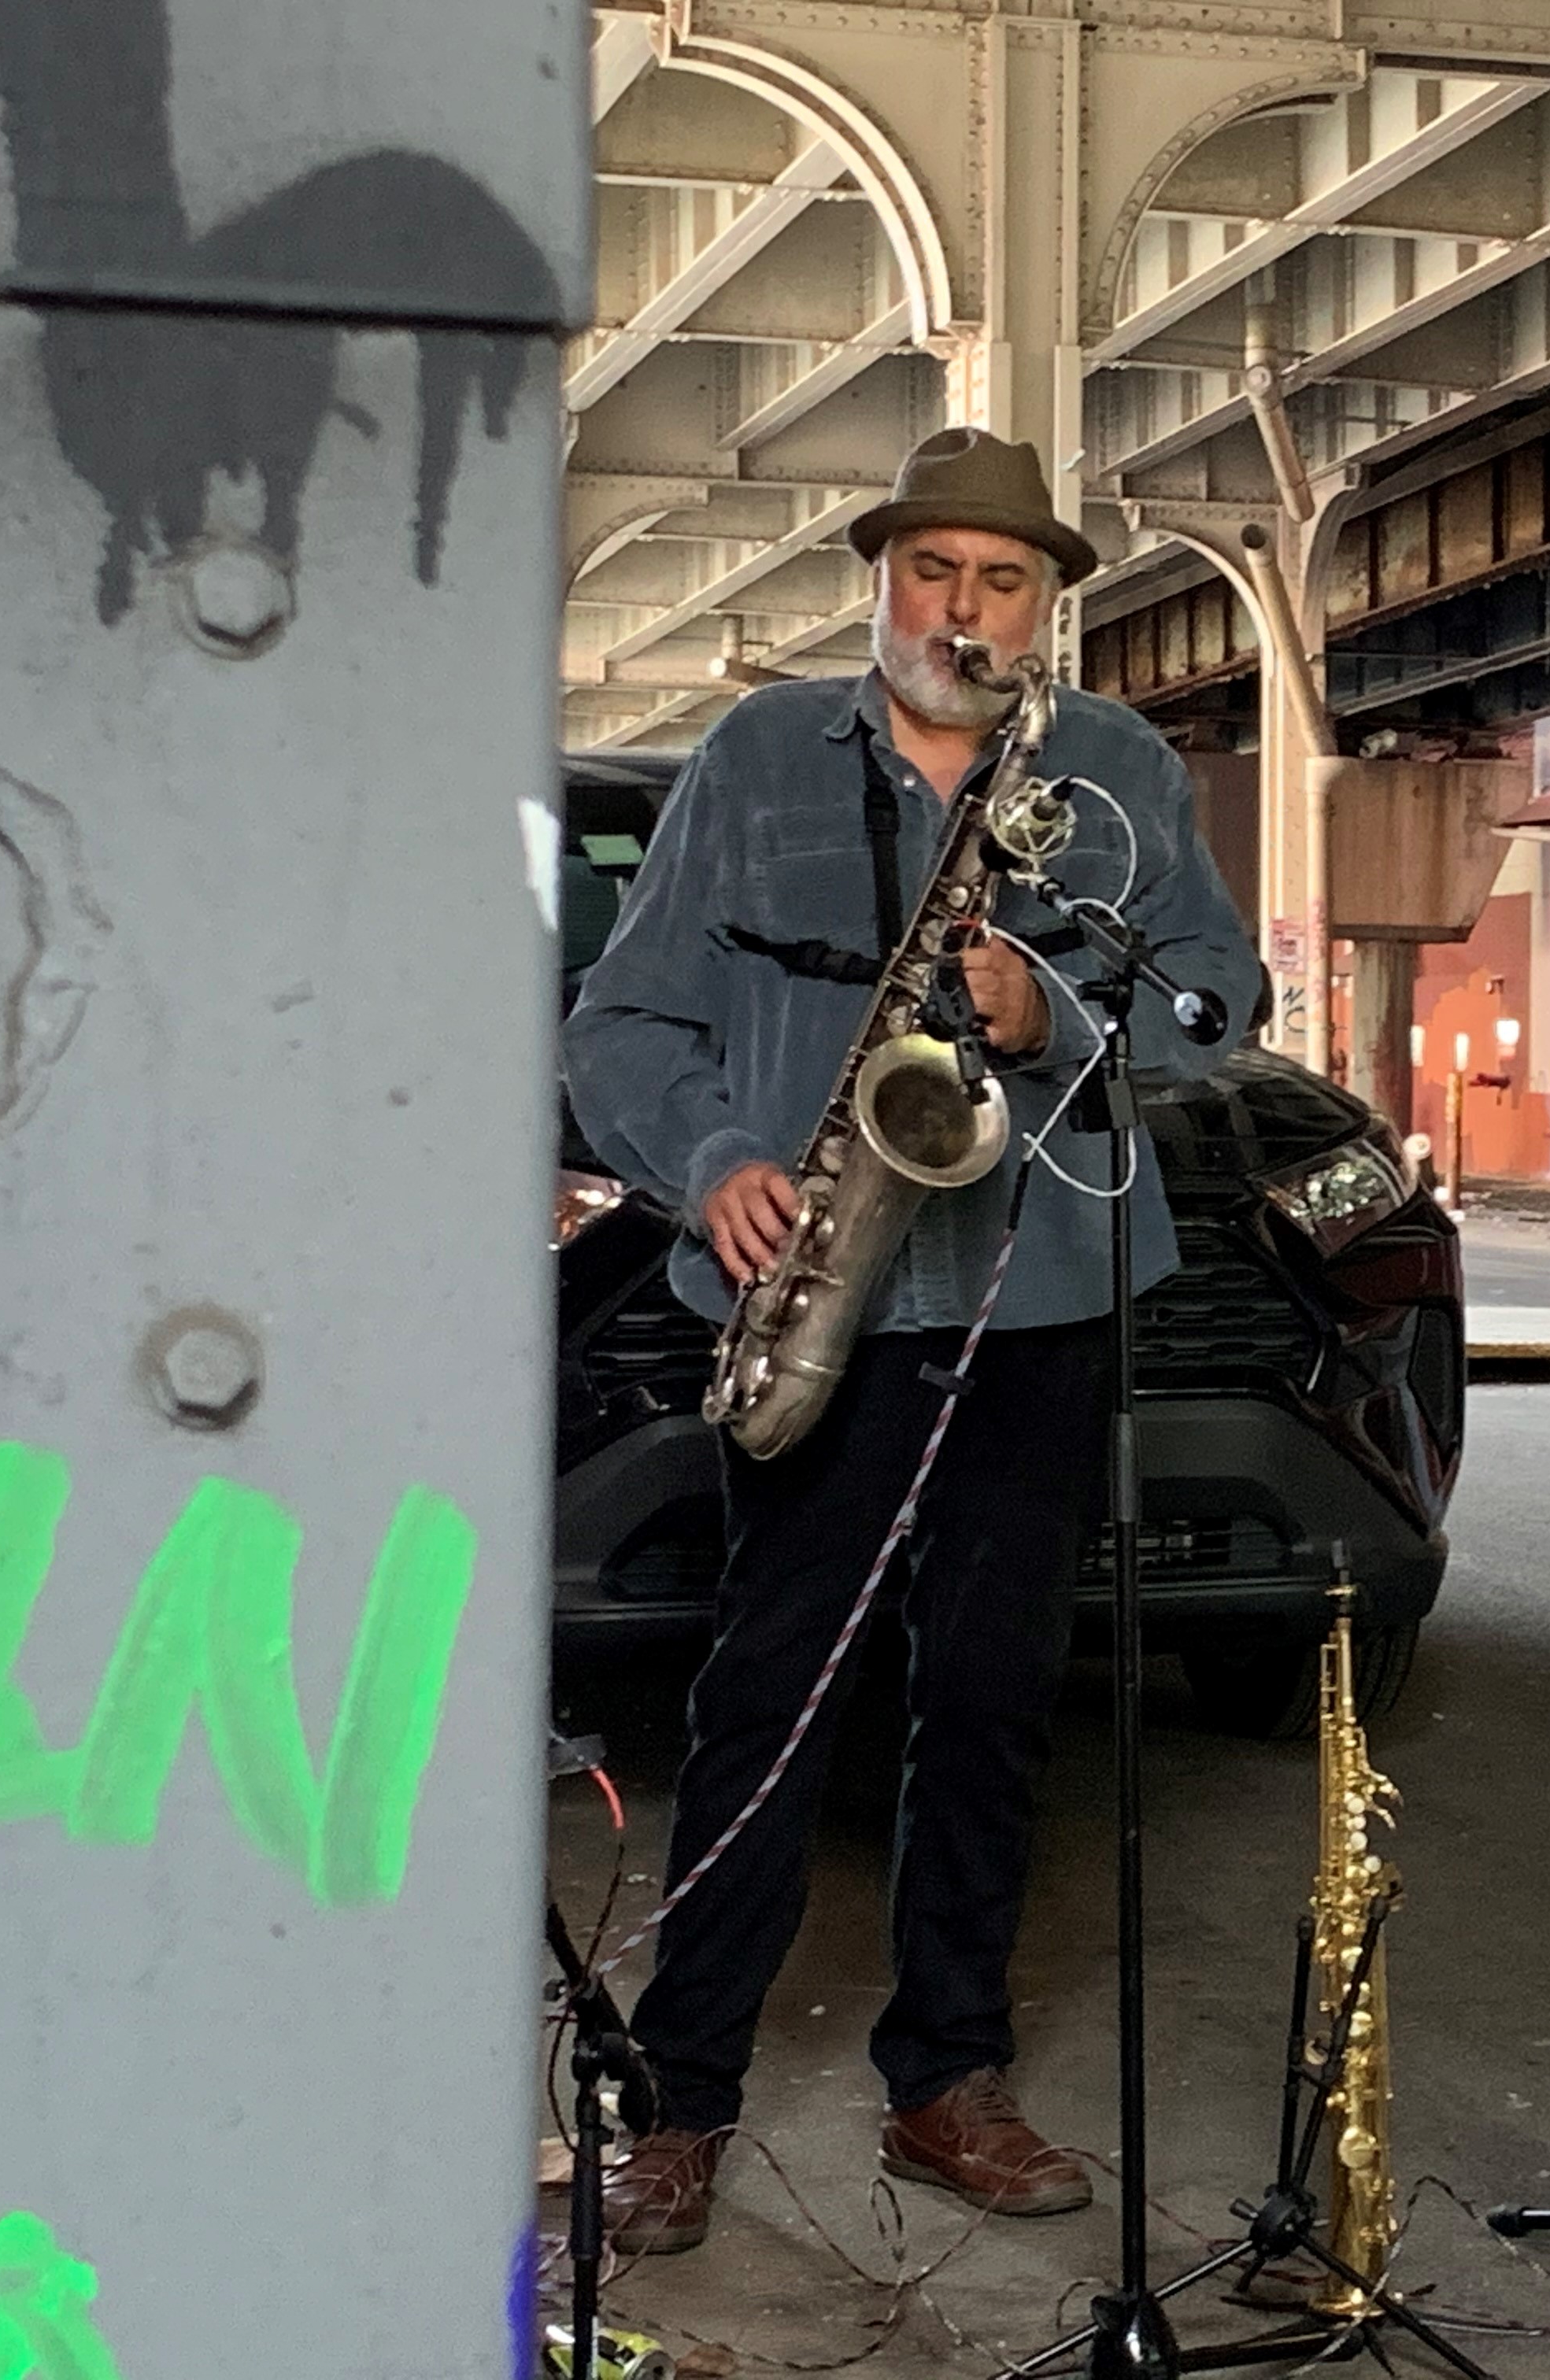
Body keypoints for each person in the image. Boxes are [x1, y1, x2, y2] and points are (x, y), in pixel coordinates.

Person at [561, 427, 1265, 2253]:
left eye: (1004, 580)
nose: (965, 608)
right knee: (765, 1706)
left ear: (1049, 604)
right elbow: (622, 1022)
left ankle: (946, 2079)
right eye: (934, 571)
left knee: (995, 1703)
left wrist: (1052, 1012)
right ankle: (679, 2098)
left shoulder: (1108, 776)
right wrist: (710, 1164)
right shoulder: (754, 757)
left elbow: (1211, 1007)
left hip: (1037, 1301)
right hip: (819, 1291)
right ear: (881, 578)